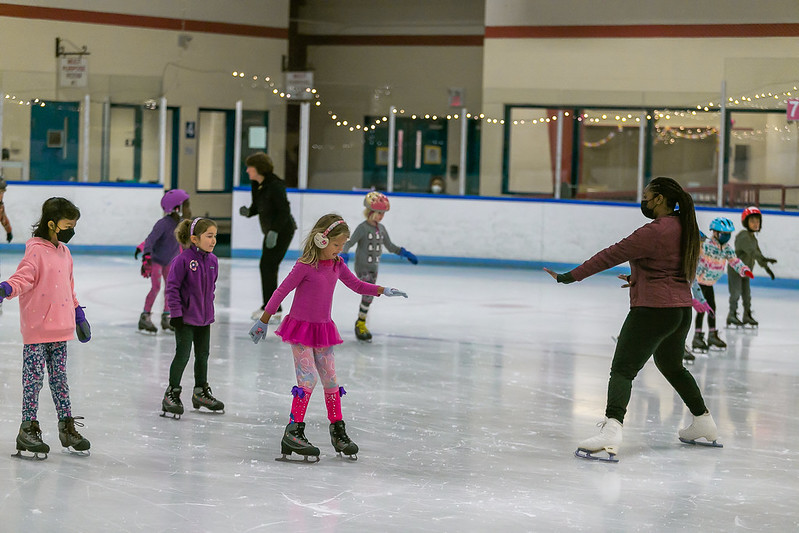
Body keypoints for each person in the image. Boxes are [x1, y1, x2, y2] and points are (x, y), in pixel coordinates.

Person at [544, 176, 720, 462]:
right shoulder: (686, 227)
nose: (644, 200)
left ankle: (611, 432)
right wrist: (638, 277)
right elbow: (669, 268)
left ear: (660, 199)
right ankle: (704, 421)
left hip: (652, 310)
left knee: (623, 369)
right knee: (672, 366)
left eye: (647, 195)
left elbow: (610, 255)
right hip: (680, 310)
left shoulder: (654, 230)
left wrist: (570, 276)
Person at [248, 213, 408, 462]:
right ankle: (293, 431)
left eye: (343, 245)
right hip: (300, 331)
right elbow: (281, 291)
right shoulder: (304, 265)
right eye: (337, 244)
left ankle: (338, 432)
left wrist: (382, 290)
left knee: (331, 382)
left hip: (322, 330)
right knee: (308, 379)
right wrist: (264, 320)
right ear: (322, 241)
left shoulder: (337, 264)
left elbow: (356, 285)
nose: (340, 249)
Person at [0, 197, 91, 458]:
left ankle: (66, 428)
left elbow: (68, 287)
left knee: (61, 381)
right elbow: (24, 276)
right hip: (38, 330)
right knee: (33, 380)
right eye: (67, 225)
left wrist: (77, 314)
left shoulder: (65, 252)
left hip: (61, 329)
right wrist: (6, 288)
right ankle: (27, 428)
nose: (71, 230)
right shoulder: (36, 251)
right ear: (52, 224)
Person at [160, 217, 224, 418]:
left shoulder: (213, 261)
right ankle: (172, 393)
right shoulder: (183, 260)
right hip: (185, 319)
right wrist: (176, 314)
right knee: (183, 355)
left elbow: (211, 289)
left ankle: (200, 392)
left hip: (204, 319)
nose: (213, 240)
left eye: (215, 236)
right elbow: (172, 289)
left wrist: (209, 311)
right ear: (194, 239)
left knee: (203, 355)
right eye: (209, 236)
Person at [340, 192, 418, 341]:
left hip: (374, 267)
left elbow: (389, 246)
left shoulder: (381, 229)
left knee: (369, 296)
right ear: (369, 212)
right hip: (362, 267)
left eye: (383, 213)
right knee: (368, 293)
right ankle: (361, 324)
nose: (381, 216)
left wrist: (404, 253)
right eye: (378, 213)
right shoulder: (362, 228)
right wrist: (344, 254)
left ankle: (360, 321)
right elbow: (349, 242)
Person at [238, 152, 297, 322]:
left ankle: (272, 308)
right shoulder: (257, 184)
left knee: (268, 266)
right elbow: (257, 206)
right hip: (272, 231)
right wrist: (249, 212)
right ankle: (271, 306)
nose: (247, 170)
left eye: (250, 167)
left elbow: (284, 211)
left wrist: (275, 232)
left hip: (283, 230)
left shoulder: (275, 185)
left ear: (258, 168)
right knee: (266, 267)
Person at [692, 217, 752, 352]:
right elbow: (696, 248)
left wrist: (743, 269)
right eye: (723, 234)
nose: (726, 237)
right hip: (700, 283)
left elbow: (734, 260)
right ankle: (697, 337)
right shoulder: (706, 245)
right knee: (702, 311)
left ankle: (712, 335)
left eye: (728, 234)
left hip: (710, 283)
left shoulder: (726, 248)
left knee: (712, 308)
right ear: (715, 233)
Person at [137, 189, 191, 333]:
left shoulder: (182, 224)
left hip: (170, 262)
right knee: (156, 287)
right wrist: (146, 256)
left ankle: (167, 317)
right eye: (186, 206)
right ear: (177, 208)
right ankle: (145, 316)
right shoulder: (163, 224)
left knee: (171, 289)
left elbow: (185, 244)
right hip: (156, 261)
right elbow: (150, 240)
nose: (189, 209)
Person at [727, 206, 776, 328]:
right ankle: (731, 314)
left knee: (747, 295)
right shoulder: (743, 236)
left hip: (746, 271)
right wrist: (764, 259)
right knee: (736, 293)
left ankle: (747, 315)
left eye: (757, 221)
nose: (756, 224)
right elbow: (752, 253)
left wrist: (766, 267)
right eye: (752, 221)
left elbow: (758, 254)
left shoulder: (753, 238)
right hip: (735, 270)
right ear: (746, 222)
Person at [0, 177, 13, 315]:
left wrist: (9, 231)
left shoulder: (0, 205)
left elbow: (3, 218)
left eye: (3, 192)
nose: (2, 195)